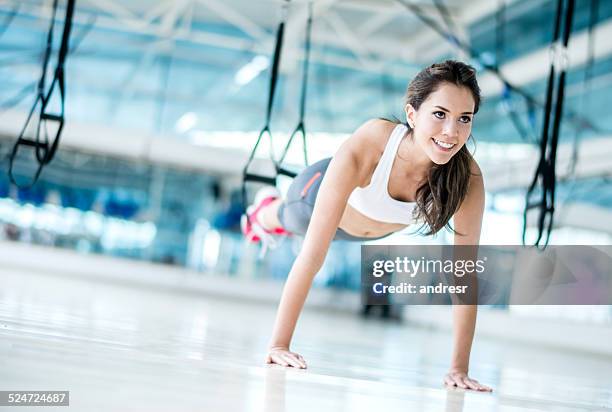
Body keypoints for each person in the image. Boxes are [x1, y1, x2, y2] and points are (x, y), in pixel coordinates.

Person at [241, 60, 492, 392]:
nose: (452, 132)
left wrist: (459, 369)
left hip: (370, 229)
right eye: (440, 114)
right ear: (413, 114)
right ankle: (262, 211)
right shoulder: (375, 142)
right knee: (288, 218)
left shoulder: (467, 180)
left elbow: (462, 274)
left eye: (464, 119)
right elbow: (313, 256)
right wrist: (278, 345)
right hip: (315, 199)